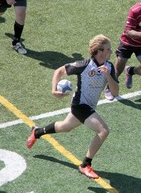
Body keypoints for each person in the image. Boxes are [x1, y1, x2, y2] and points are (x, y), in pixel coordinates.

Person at [26, 34, 119, 179]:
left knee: (65, 127)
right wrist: (54, 89)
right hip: (80, 105)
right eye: (108, 49)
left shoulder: (109, 67)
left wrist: (108, 76)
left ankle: (37, 132)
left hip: (90, 106)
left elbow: (115, 92)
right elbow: (59, 71)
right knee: (103, 131)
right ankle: (85, 165)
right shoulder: (84, 65)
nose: (111, 52)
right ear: (100, 51)